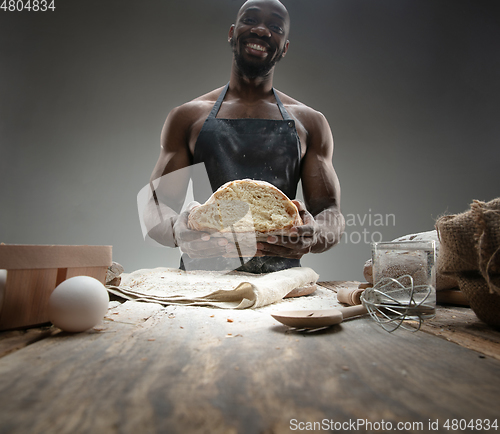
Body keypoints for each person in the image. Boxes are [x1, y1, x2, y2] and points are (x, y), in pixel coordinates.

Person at [144, 0, 345, 273]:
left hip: (281, 288)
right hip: (201, 286)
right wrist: (178, 231)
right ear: (232, 32)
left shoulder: (310, 122)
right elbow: (157, 205)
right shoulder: (188, 117)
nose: (261, 30)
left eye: (274, 26)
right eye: (250, 20)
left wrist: (316, 234)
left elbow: (329, 211)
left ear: (284, 47)